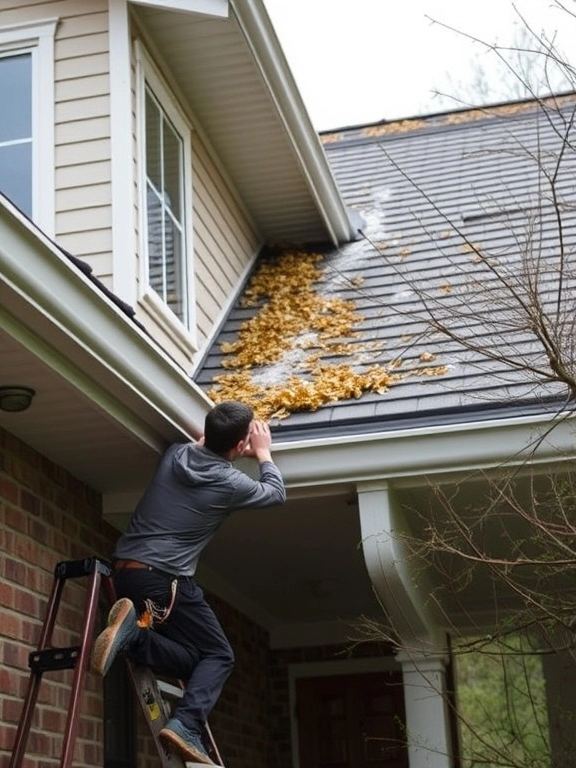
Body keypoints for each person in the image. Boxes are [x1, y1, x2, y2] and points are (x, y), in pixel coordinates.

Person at [91, 400, 286, 765]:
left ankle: (134, 635)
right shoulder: (230, 482)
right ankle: (186, 725)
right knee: (220, 655)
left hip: (125, 576)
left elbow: (200, 444)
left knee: (198, 662)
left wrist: (224, 441)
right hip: (164, 581)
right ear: (239, 446)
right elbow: (275, 493)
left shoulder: (174, 456)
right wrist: (264, 454)